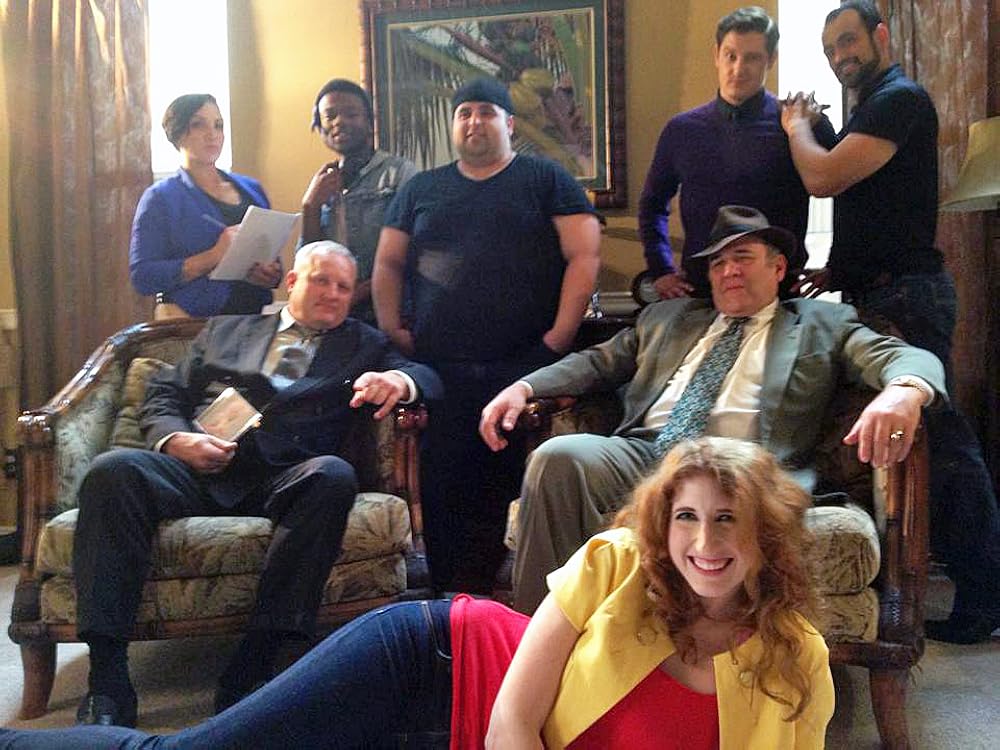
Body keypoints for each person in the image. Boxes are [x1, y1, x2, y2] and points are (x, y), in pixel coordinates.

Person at [0, 438, 836, 748]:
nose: (704, 544)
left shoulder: (796, 661)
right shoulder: (619, 563)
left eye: (728, 520)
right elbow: (511, 726)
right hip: (431, 664)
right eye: (686, 517)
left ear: (765, 533)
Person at [481, 204, 948, 614]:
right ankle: (535, 638)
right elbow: (597, 362)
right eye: (718, 263)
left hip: (744, 462)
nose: (728, 271)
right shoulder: (669, 319)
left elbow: (898, 356)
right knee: (558, 456)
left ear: (778, 267)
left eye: (742, 257)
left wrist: (904, 391)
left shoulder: (824, 323)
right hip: (648, 453)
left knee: (713, 498)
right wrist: (524, 386)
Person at [69, 240, 442, 728]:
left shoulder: (363, 343)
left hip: (286, 477)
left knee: (333, 475)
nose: (333, 294)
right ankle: (108, 681)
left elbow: (425, 374)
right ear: (292, 282)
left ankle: (255, 661)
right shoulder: (227, 329)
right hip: (200, 468)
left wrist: (399, 383)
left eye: (343, 286)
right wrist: (174, 440)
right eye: (322, 280)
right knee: (112, 471)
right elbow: (164, 391)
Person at [780, 0, 1000, 644]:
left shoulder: (899, 99)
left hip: (907, 298)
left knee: (944, 449)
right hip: (884, 291)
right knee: (923, 448)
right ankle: (961, 589)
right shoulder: (873, 106)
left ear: (881, 35)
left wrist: (796, 127)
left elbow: (823, 178)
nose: (840, 56)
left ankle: (985, 596)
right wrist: (837, 269)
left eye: (848, 41)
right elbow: (879, 207)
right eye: (830, 49)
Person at [372, 77, 601, 592]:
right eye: (465, 113)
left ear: (509, 123)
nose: (474, 121)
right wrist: (391, 327)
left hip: (519, 365)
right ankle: (448, 601)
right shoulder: (420, 189)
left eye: (486, 112)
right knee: (443, 487)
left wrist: (559, 338)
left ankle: (497, 607)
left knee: (503, 486)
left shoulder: (546, 179)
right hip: (439, 368)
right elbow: (387, 262)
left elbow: (584, 255)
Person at [637, 7, 836, 300]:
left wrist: (838, 263)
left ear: (771, 59)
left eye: (752, 58)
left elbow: (848, 192)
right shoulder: (681, 130)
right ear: (716, 55)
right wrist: (661, 269)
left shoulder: (798, 124)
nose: (738, 68)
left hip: (780, 295)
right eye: (730, 55)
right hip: (702, 294)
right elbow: (652, 204)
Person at [130, 93, 282, 318]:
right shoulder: (160, 198)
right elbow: (143, 276)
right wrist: (213, 256)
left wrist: (271, 273)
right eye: (198, 125)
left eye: (218, 125)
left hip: (253, 319)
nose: (212, 134)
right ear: (177, 133)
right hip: (191, 323)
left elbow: (273, 262)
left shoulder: (253, 189)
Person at [300, 79, 418, 323]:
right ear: (319, 126)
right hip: (335, 315)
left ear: (369, 122)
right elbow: (309, 262)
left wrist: (354, 293)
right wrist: (310, 207)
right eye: (329, 116)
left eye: (351, 114)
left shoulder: (399, 173)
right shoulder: (323, 182)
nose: (339, 122)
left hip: (390, 312)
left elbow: (413, 251)